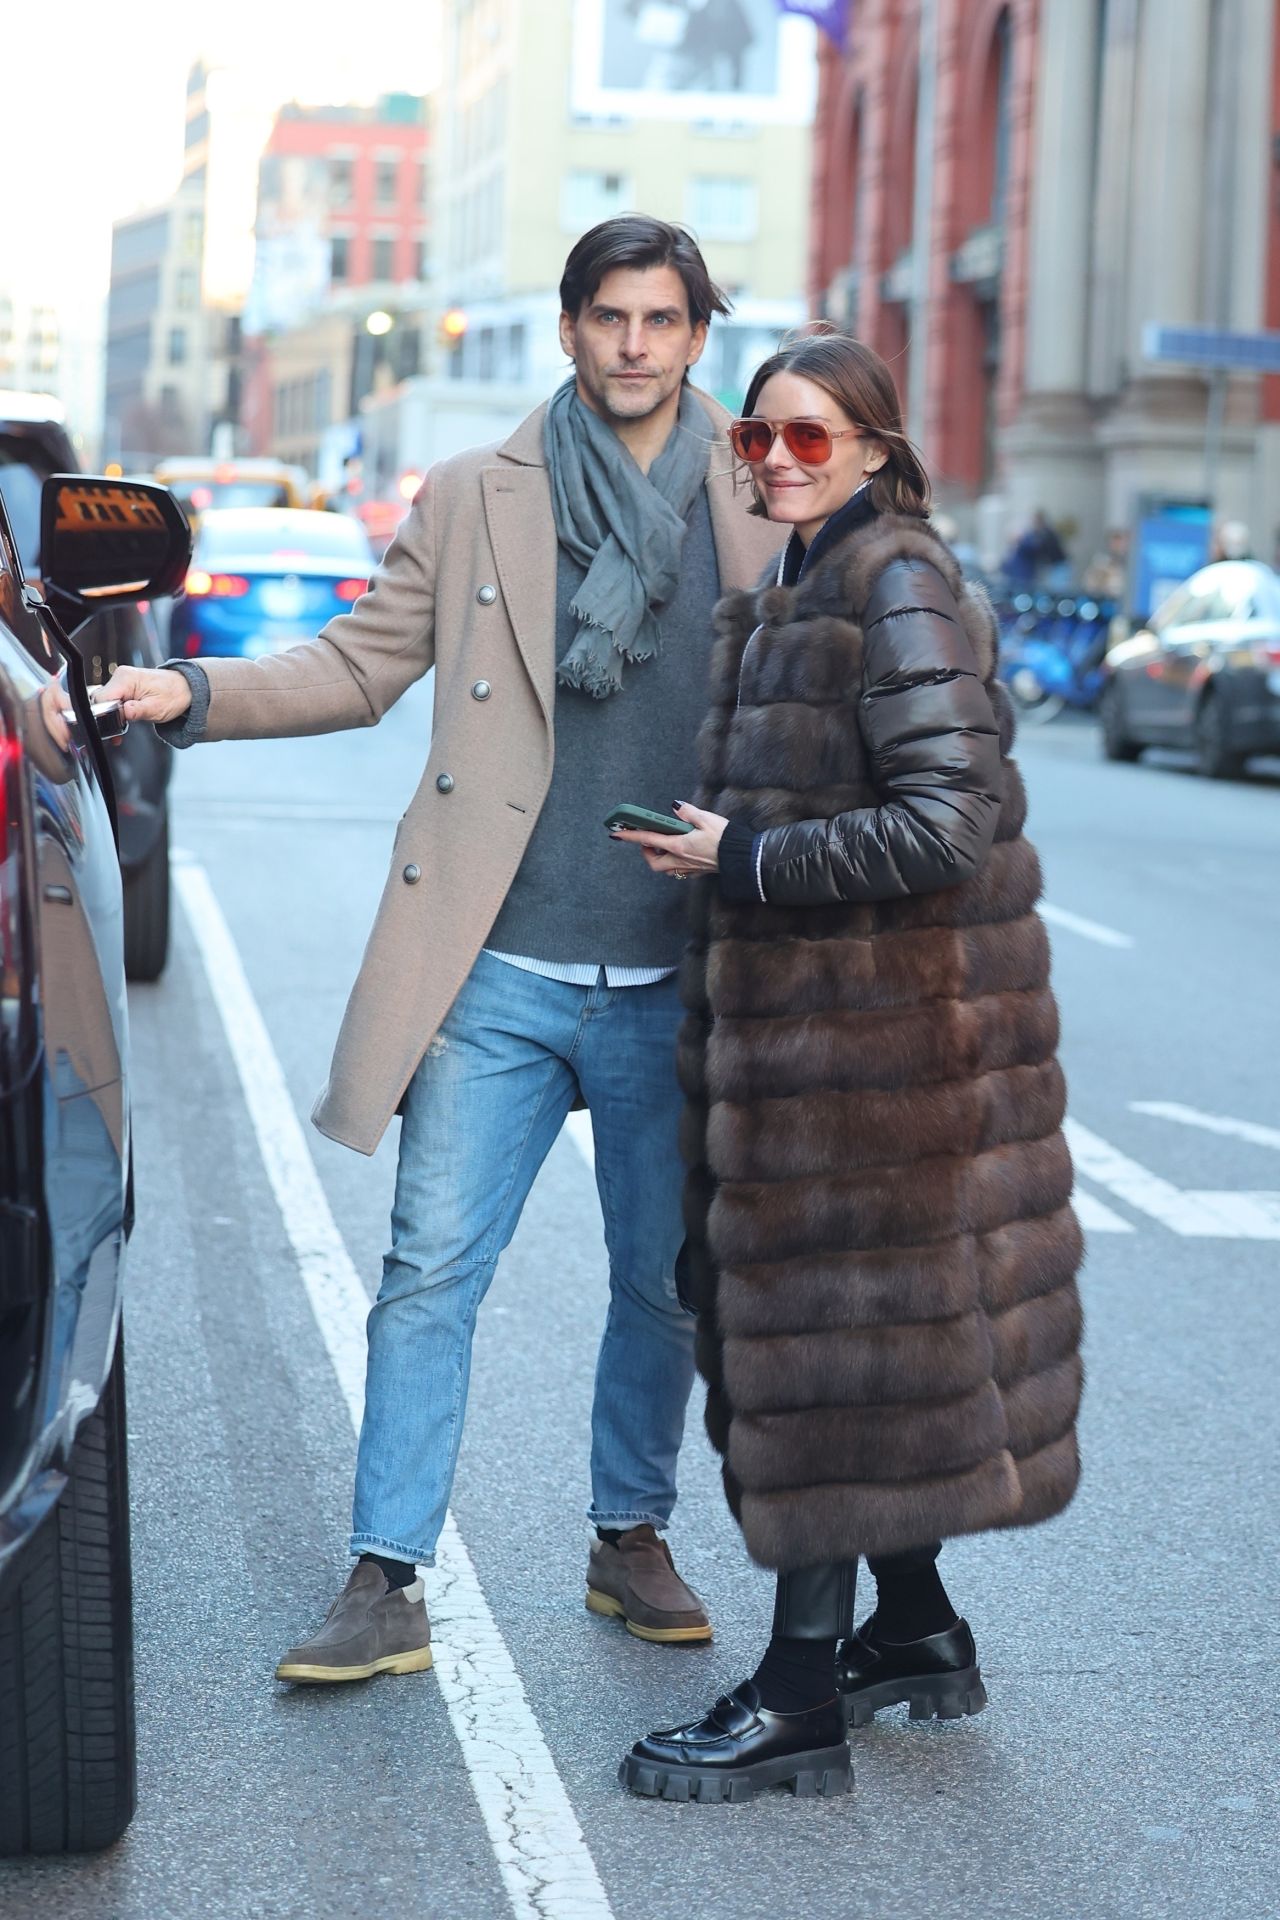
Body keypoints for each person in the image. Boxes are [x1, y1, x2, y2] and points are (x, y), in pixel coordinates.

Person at [55, 216, 783, 1682]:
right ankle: (384, 1576)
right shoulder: (473, 495)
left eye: (662, 321)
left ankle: (628, 1533)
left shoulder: (767, 498)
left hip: (684, 974)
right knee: (431, 1274)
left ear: (700, 336)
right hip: (495, 963)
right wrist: (186, 690)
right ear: (570, 330)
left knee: (663, 1282)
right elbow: (358, 664)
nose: (635, 346)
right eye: (609, 319)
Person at [610, 328, 1084, 1802]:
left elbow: (949, 820)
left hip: (871, 1061)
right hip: (826, 1051)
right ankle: (921, 1633)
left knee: (815, 1355)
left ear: (879, 447)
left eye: (811, 437)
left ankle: (801, 1697)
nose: (777, 461)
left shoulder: (897, 578)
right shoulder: (800, 586)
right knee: (858, 1360)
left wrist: (742, 855)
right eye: (758, 439)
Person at [1002, 509, 1067, 590]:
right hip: (1044, 568)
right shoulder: (1033, 536)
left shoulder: (1046, 533)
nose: (1033, 523)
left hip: (1057, 565)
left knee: (1058, 588)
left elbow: (1037, 548)